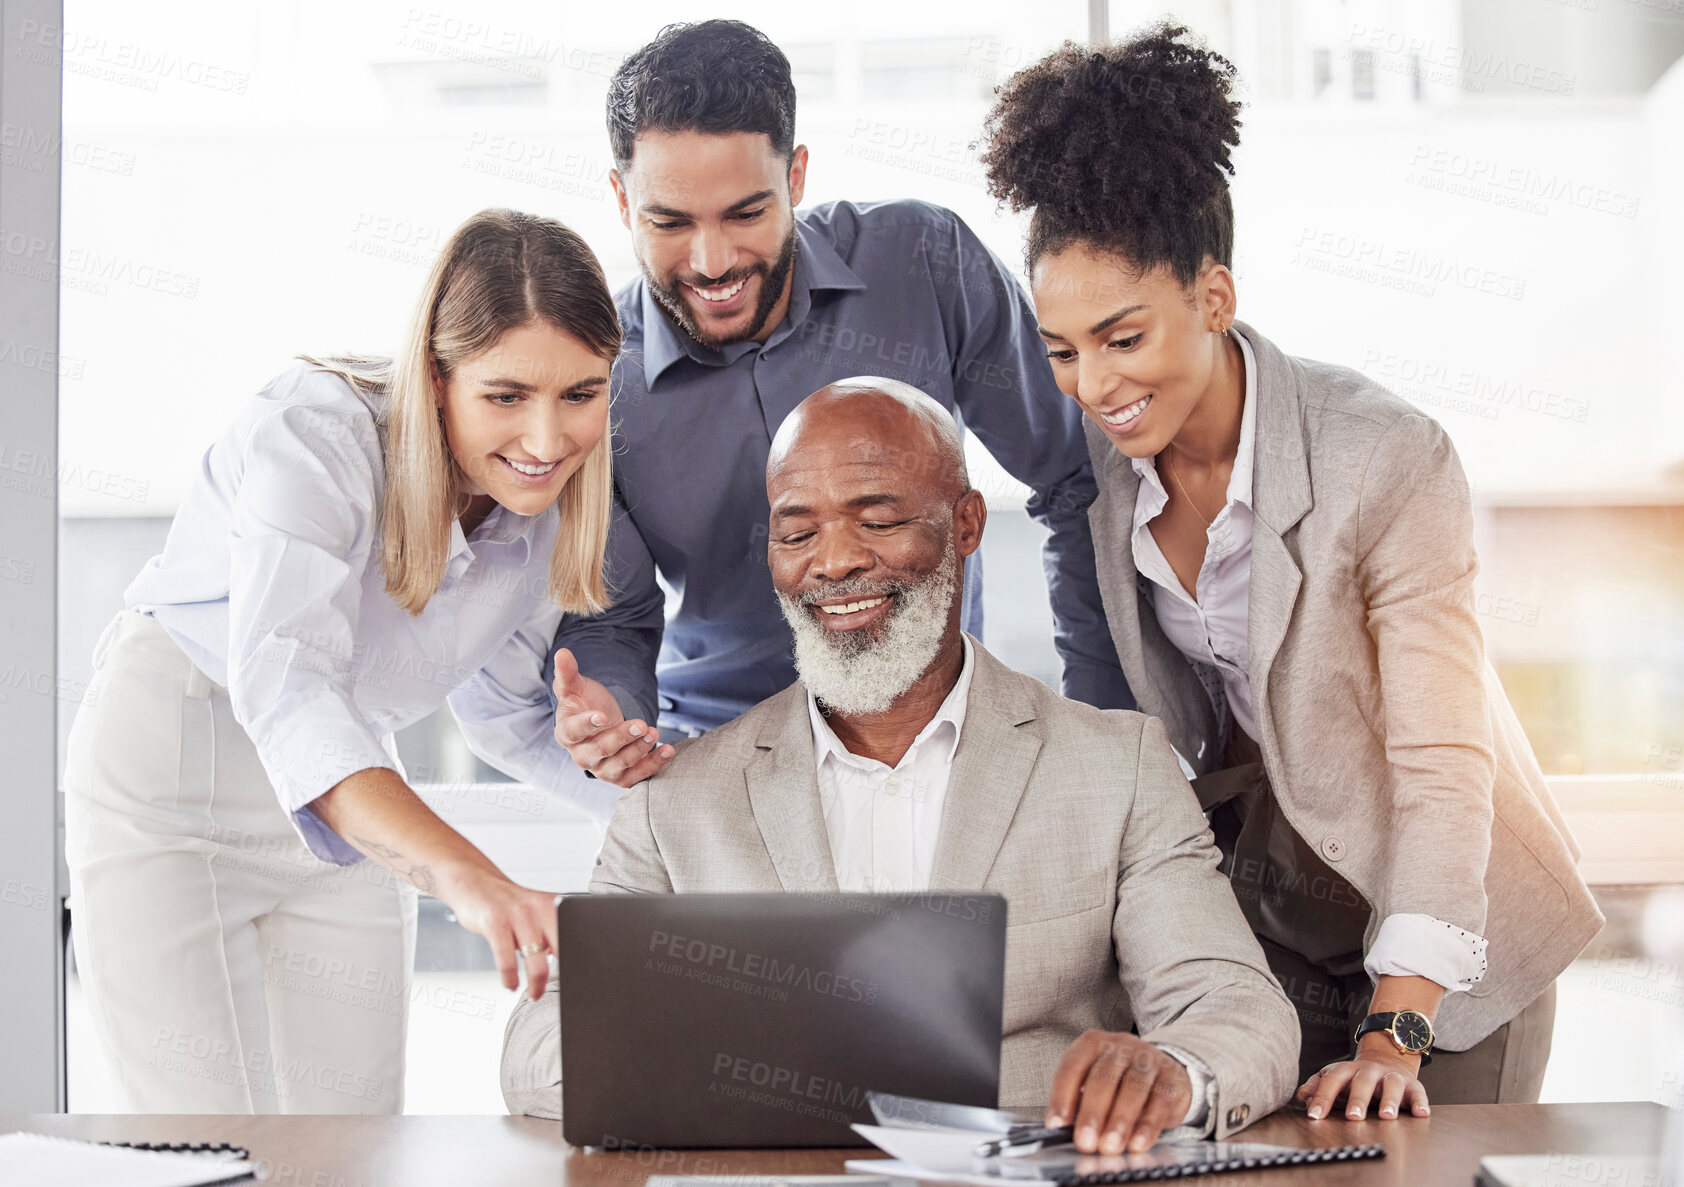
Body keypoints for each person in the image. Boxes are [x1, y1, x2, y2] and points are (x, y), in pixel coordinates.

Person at [977, 24, 1602, 1123]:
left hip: (1450, 938)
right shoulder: (1107, 470)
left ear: (1213, 297)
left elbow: (1441, 767)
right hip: (1270, 920)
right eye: (1062, 347)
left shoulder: (1383, 458)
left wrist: (1395, 1027)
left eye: (1122, 336)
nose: (1091, 383)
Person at [503, 380, 1300, 1150]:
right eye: (796, 531)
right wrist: (728, 1074)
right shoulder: (672, 800)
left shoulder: (1116, 767)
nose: (835, 561)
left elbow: (1237, 1006)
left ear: (965, 524)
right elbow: (539, 1041)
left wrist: (1175, 1073)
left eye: (877, 519)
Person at [64, 208, 624, 1112]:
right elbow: (291, 689)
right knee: (205, 1144)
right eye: (507, 395)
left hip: (353, 804)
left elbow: (506, 716)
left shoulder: (546, 509)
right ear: (438, 380)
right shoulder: (315, 430)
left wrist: (666, 802)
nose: (549, 439)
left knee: (354, 1140)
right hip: (174, 767)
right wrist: (471, 878)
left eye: (581, 394)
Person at [547, 19, 1129, 792]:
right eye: (671, 222)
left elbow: (1074, 480)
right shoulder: (594, 377)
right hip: (722, 762)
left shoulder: (928, 262)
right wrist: (613, 715)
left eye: (746, 213)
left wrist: (1104, 719)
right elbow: (615, 615)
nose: (712, 261)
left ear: (796, 178)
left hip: (937, 741)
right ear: (622, 200)